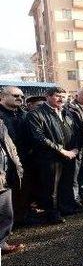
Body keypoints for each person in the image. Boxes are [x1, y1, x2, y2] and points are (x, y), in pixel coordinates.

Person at [26, 87, 80, 223]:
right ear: (48, 96)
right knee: (51, 188)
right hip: (49, 157)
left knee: (66, 184)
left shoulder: (68, 113)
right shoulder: (36, 114)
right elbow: (39, 137)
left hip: (69, 155)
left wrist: (75, 149)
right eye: (58, 96)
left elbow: (75, 132)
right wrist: (61, 150)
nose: (62, 99)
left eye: (64, 96)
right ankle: (52, 214)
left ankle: (65, 208)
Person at [0, 87, 29, 225]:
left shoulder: (24, 114)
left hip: (24, 157)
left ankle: (21, 217)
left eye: (22, 96)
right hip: (5, 160)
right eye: (16, 95)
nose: (20, 98)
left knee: (22, 188)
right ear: (3, 97)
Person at [65, 88, 83, 205]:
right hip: (76, 146)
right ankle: (75, 199)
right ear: (77, 96)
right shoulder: (69, 110)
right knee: (74, 175)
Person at [0, 119, 24, 254]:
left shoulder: (1, 124)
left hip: (5, 176)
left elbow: (11, 147)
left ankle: (1, 243)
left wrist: (17, 165)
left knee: (6, 213)